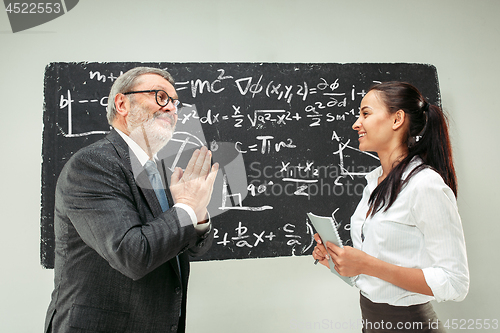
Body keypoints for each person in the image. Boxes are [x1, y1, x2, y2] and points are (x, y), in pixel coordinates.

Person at [44, 67, 219, 333]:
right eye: (161, 97)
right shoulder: (93, 164)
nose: (172, 109)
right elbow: (132, 254)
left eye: (175, 102)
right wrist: (185, 207)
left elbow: (191, 248)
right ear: (122, 103)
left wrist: (199, 213)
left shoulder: (158, 170)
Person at [312, 82, 469, 332]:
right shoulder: (374, 182)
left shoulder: (425, 185)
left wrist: (366, 264)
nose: (356, 124)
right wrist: (338, 262)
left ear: (397, 119)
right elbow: (375, 272)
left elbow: (455, 283)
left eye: (365, 113)